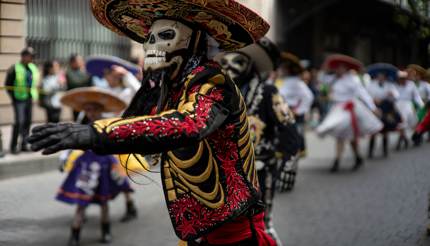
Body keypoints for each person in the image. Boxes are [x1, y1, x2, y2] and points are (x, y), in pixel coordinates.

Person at [29, 0, 276, 245]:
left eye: (166, 35)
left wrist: (96, 134)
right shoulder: (176, 88)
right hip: (200, 229)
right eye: (149, 38)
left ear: (196, 42)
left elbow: (189, 124)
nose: (150, 46)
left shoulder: (213, 82)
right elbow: (148, 125)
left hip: (232, 229)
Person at [218, 38, 300, 245]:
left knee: (262, 225)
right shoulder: (216, 96)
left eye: (237, 61)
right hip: (223, 173)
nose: (229, 68)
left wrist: (289, 164)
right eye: (224, 63)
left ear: (250, 66)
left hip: (259, 171)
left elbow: (289, 128)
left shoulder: (268, 93)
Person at [56, 87, 133, 246]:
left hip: (104, 165)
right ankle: (74, 235)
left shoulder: (107, 125)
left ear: (100, 110)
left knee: (104, 203)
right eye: (87, 109)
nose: (90, 112)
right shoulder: (83, 126)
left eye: (93, 109)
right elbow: (73, 142)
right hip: (87, 167)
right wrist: (64, 156)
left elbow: (116, 141)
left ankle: (106, 231)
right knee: (81, 204)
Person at [316, 54, 382, 172]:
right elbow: (321, 79)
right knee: (341, 136)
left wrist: (372, 107)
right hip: (337, 109)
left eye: (341, 68)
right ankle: (339, 160)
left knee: (350, 138)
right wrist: (325, 67)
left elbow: (363, 94)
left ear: (346, 69)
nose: (338, 70)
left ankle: (353, 158)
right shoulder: (333, 78)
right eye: (337, 67)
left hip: (349, 110)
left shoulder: (352, 79)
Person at [277, 52, 314, 157]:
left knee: (294, 137)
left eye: (283, 68)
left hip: (292, 113)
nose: (281, 70)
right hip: (283, 112)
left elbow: (308, 96)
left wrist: (298, 111)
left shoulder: (296, 82)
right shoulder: (282, 81)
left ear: (288, 70)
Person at [5, 47, 40, 154]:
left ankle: (24, 144)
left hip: (29, 98)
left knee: (27, 122)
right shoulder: (15, 68)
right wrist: (14, 97)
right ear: (24, 56)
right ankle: (14, 145)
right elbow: (8, 85)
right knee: (19, 122)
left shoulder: (33, 67)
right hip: (19, 99)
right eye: (31, 56)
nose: (32, 58)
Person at [366, 63, 401, 158]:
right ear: (376, 76)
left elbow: (396, 96)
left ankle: (385, 150)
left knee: (385, 130)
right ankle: (370, 152)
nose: (381, 77)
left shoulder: (390, 85)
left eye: (383, 75)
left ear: (385, 76)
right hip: (374, 108)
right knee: (373, 130)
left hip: (385, 108)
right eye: (379, 75)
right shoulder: (371, 85)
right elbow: (366, 96)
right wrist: (373, 99)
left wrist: (392, 95)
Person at [395, 70, 424, 150]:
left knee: (412, 122)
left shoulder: (411, 85)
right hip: (397, 105)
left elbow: (416, 96)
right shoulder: (395, 85)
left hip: (407, 105)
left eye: (403, 78)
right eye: (400, 78)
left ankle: (415, 137)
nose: (402, 80)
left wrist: (422, 105)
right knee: (400, 124)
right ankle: (402, 140)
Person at [65, 54, 91, 121]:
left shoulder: (85, 71)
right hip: (76, 100)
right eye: (79, 60)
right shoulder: (69, 72)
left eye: (82, 60)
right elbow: (75, 82)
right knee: (78, 119)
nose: (82, 62)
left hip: (87, 99)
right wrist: (88, 75)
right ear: (72, 62)